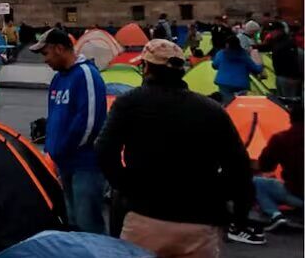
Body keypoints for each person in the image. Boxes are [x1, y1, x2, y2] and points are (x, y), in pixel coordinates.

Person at [96, 39, 262, 255]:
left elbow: (104, 148)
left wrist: (125, 185)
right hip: (199, 219)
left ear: (146, 68)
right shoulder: (211, 110)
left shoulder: (130, 103)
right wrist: (237, 213)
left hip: (143, 215)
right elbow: (238, 166)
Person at [30, 28, 108, 234]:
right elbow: (55, 117)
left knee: (88, 223)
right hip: (63, 162)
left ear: (59, 48)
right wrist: (52, 150)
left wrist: (64, 149)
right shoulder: (57, 79)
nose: (45, 60)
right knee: (72, 221)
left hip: (85, 164)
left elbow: (89, 122)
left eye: (46, 53)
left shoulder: (86, 75)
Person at [253, 104, 304, 231]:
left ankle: (275, 215)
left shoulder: (281, 139)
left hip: (296, 193)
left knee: (257, 182)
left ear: (291, 118)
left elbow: (265, 166)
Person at [212, 35, 263, 104]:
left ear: (227, 44)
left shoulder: (221, 53)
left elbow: (214, 65)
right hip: (241, 84)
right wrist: (260, 65)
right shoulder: (243, 55)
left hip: (224, 82)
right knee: (241, 104)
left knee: (227, 104)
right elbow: (256, 69)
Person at [258, 23, 303, 99]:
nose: (270, 33)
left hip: (289, 77)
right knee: (282, 98)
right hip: (280, 75)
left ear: (279, 31)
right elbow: (267, 47)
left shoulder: (288, 42)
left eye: (272, 31)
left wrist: (294, 76)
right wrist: (254, 47)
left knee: (290, 99)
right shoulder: (276, 41)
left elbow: (294, 61)